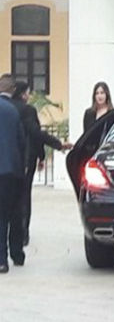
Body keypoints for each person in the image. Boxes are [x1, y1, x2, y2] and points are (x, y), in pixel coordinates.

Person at [11, 81, 73, 246]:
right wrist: (51, 149)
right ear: (24, 94)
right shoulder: (28, 110)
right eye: (28, 93)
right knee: (24, 196)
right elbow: (35, 133)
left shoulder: (5, 107)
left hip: (6, 160)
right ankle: (23, 233)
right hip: (25, 159)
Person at [0, 74, 26, 273]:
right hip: (10, 171)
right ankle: (12, 255)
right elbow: (21, 142)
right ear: (13, 90)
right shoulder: (13, 111)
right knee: (9, 214)